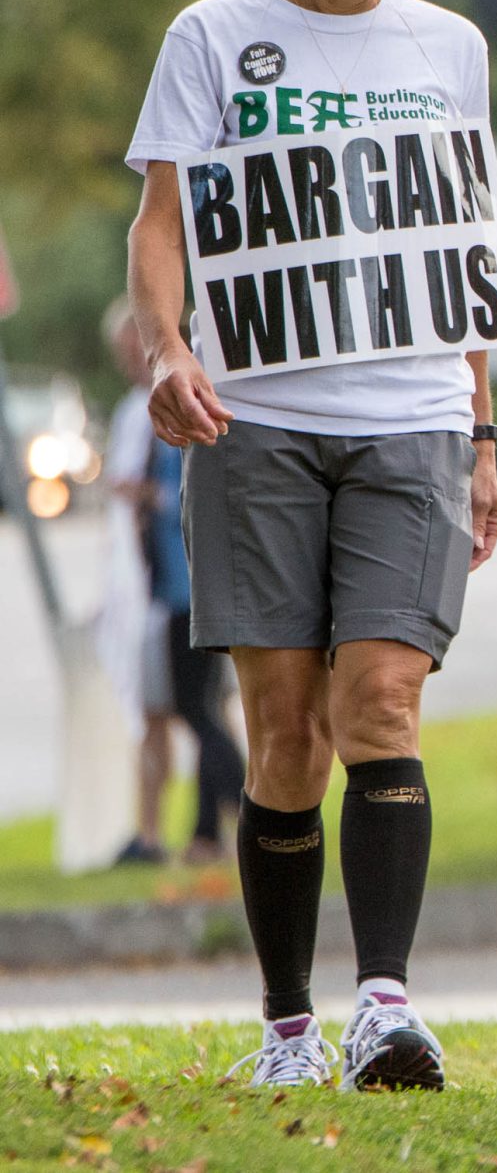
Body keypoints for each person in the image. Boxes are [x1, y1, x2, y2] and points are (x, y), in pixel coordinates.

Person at [124, 0, 497, 1091]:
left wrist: (484, 430)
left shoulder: (449, 46)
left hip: (411, 422)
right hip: (259, 420)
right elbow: (162, 220)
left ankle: (388, 1006)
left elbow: (460, 246)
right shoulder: (214, 37)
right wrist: (170, 347)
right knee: (284, 726)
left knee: (381, 701)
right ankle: (288, 1023)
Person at [106, 301, 247, 867]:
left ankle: (249, 810)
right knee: (198, 710)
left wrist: (143, 496)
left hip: (190, 589)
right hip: (173, 588)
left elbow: (185, 496)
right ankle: (207, 831)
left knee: (198, 713)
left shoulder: (180, 410)